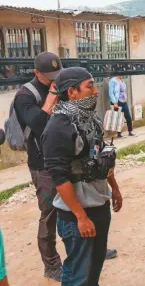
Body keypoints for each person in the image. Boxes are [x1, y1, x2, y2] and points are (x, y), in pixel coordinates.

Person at [41, 67, 123, 285]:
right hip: (77, 214)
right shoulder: (58, 127)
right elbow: (59, 178)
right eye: (90, 86)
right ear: (72, 92)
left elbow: (101, 154)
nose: (96, 91)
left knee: (94, 268)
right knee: (78, 274)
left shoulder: (90, 118)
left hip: (98, 205)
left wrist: (113, 187)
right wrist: (80, 217)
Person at [13, 51, 63, 281]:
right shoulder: (24, 95)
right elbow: (40, 125)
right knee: (50, 213)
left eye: (57, 73)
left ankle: (86, 250)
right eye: (49, 76)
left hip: (64, 158)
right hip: (42, 165)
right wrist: (52, 96)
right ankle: (51, 265)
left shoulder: (59, 84)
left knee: (80, 204)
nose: (54, 78)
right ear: (36, 73)